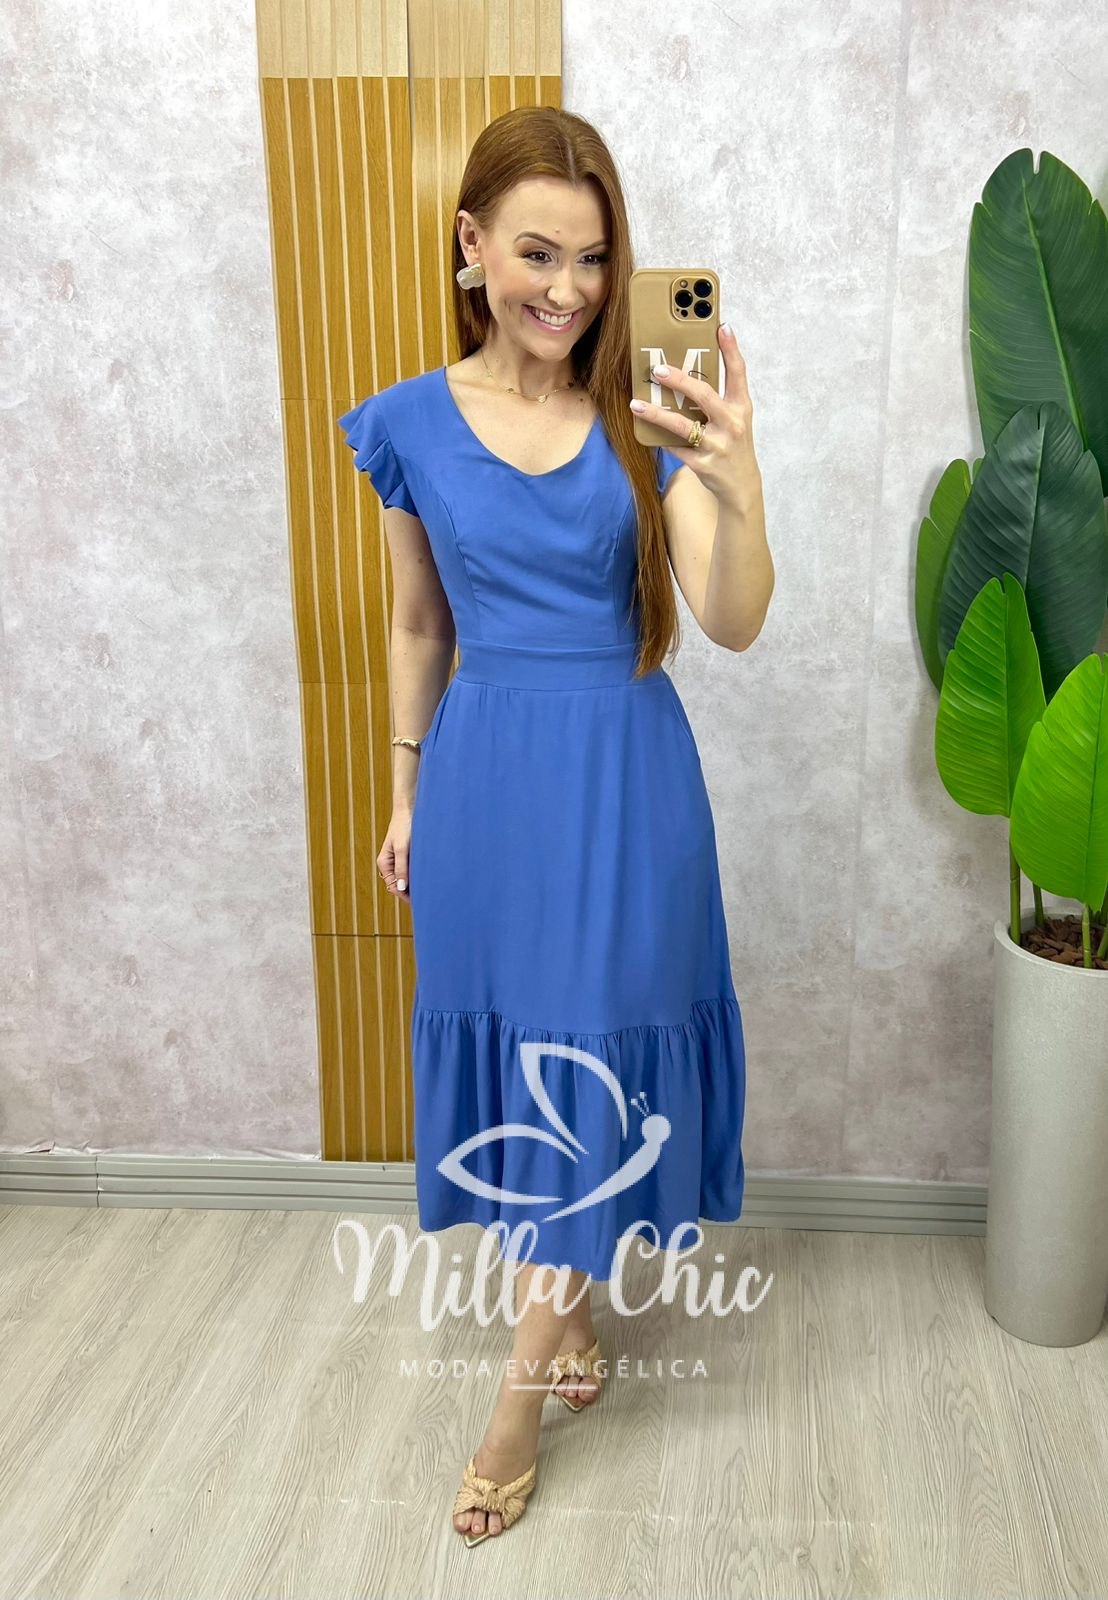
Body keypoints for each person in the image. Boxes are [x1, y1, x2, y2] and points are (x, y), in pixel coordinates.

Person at [338, 105, 772, 1546]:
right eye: (538, 253)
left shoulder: (646, 419)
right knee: (530, 1060)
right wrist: (405, 789)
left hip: (625, 788)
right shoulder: (407, 423)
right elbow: (418, 623)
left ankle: (515, 1409)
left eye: (594, 260)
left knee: (587, 1066)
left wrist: (734, 478)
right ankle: (570, 1311)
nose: (570, 291)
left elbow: (732, 618)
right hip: (484, 789)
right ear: (471, 246)